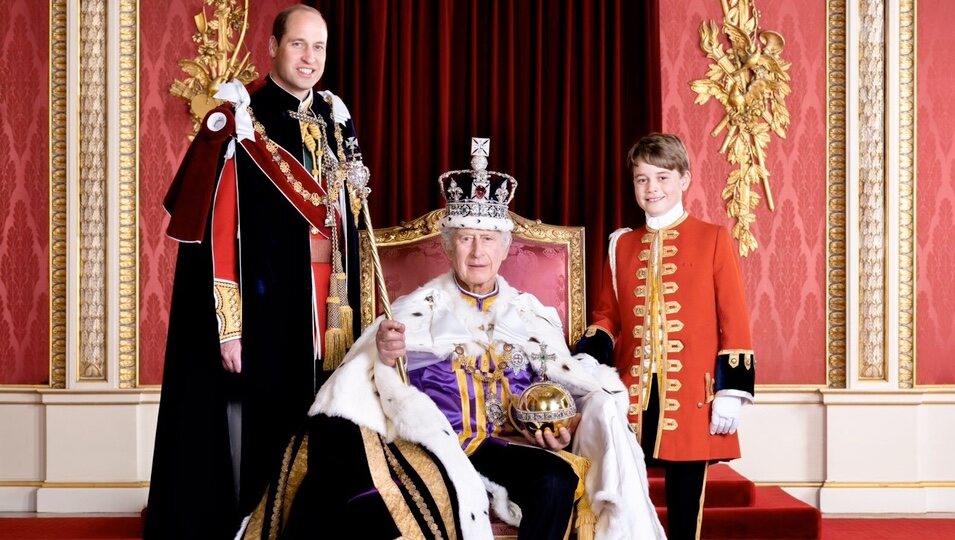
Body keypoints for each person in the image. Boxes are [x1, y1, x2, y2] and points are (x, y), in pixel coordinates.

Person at [237, 145, 665, 540]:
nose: (477, 251)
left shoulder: (531, 314)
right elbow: (372, 384)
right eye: (465, 238)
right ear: (448, 246)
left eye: (488, 239)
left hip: (500, 445)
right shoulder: (416, 309)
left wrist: (562, 427)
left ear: (504, 248)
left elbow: (567, 387)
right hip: (435, 444)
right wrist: (387, 358)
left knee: (556, 479)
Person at [146, 5, 364, 538]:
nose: (310, 58)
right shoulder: (242, 115)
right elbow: (220, 232)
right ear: (272, 47)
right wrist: (230, 325)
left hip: (330, 302)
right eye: (298, 45)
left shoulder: (337, 118)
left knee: (329, 426)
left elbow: (350, 227)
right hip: (268, 305)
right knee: (272, 432)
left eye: (319, 47)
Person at [573, 133, 756, 540]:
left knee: (685, 497)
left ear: (685, 179)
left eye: (662, 177)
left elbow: (734, 318)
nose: (652, 188)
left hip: (693, 393)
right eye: (642, 179)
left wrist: (733, 390)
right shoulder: (622, 245)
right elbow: (608, 315)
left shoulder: (713, 238)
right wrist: (589, 354)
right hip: (632, 392)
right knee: (626, 494)